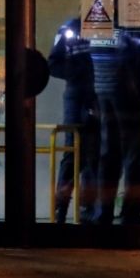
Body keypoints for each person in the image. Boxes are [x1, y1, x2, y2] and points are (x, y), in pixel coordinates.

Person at [90, 27, 140, 225]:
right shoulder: (131, 27)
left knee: (108, 154)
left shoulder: (99, 25)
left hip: (102, 89)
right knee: (135, 153)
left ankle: (103, 212)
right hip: (127, 92)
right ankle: (131, 213)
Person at [47, 18, 100, 223]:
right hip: (78, 95)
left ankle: (88, 210)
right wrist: (79, 73)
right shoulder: (69, 28)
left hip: (100, 93)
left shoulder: (109, 26)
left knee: (95, 153)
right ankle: (61, 209)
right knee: (73, 150)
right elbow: (54, 63)